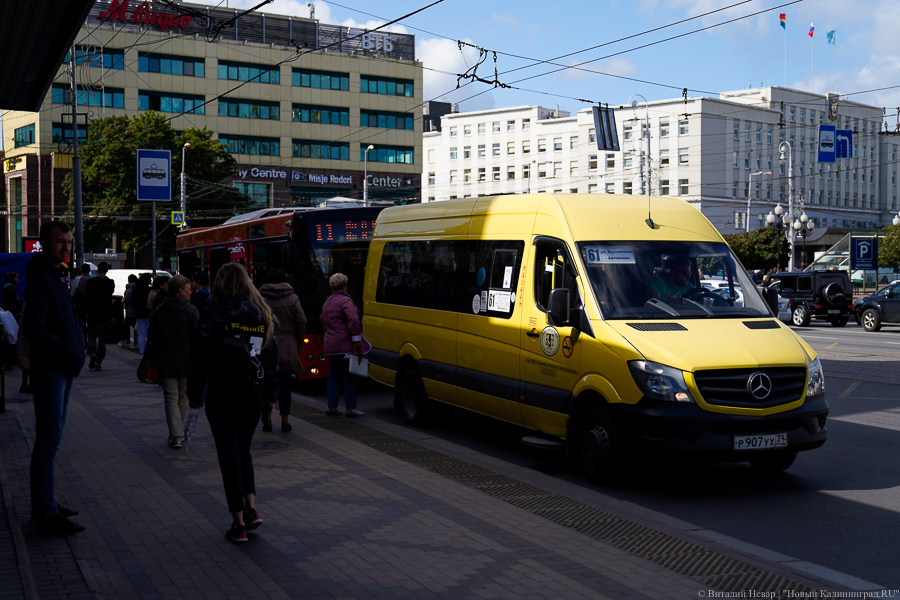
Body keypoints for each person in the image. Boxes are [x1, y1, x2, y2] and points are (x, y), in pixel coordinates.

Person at [188, 263, 277, 543]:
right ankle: (251, 509)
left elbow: (201, 356)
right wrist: (270, 398)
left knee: (229, 455)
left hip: (222, 391)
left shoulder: (213, 311)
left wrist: (194, 396)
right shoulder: (261, 312)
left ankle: (238, 524)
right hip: (253, 391)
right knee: (244, 450)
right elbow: (271, 358)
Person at [25, 221, 85, 534]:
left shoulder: (54, 275)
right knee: (48, 441)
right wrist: (66, 349)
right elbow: (35, 329)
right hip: (52, 369)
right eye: (60, 242)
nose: (66, 247)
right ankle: (45, 511)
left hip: (60, 367)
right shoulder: (42, 278)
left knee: (52, 440)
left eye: (69, 242)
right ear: (43, 243)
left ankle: (46, 503)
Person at [148, 275, 199, 449]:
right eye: (187, 288)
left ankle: (176, 434)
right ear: (180, 291)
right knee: (183, 396)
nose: (190, 290)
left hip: (166, 359)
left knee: (170, 397)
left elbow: (152, 336)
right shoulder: (192, 311)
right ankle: (178, 433)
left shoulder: (159, 311)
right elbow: (197, 337)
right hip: (187, 360)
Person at [260, 269, 307, 432]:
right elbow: (301, 320)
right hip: (287, 344)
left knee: (266, 384)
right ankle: (285, 420)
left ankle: (267, 421)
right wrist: (297, 339)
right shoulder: (292, 298)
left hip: (266, 344)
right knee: (285, 384)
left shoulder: (261, 298)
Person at [320, 273, 364, 417]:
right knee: (350, 375)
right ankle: (350, 408)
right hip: (344, 345)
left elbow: (322, 320)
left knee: (333, 375)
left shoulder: (328, 302)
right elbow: (353, 319)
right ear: (345, 286)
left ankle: (331, 406)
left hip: (330, 345)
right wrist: (357, 339)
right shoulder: (345, 301)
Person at [84, 262, 115, 371]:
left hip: (93, 313)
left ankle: (92, 353)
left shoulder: (91, 282)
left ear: (97, 269)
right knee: (102, 340)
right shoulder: (110, 283)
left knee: (92, 336)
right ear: (106, 270)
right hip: (106, 314)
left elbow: (86, 296)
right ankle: (98, 361)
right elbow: (111, 293)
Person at [132, 273, 152, 355]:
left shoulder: (136, 289)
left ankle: (142, 352)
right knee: (149, 334)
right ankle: (148, 351)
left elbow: (132, 301)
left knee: (141, 334)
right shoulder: (149, 290)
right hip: (148, 314)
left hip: (139, 314)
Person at [119, 274, 138, 348]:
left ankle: (123, 340)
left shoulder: (129, 289)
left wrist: (122, 300)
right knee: (134, 326)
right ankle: (125, 340)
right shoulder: (137, 288)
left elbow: (126, 299)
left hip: (130, 310)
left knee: (127, 326)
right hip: (136, 310)